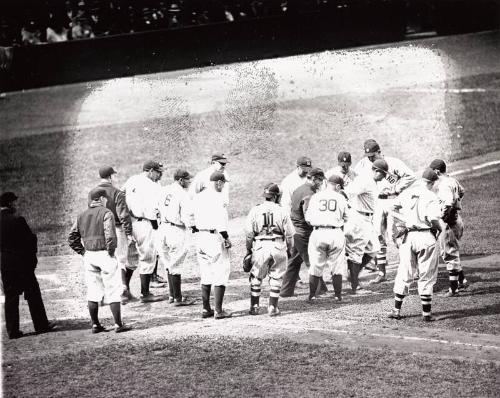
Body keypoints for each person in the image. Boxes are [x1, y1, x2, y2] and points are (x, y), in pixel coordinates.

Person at [68, 188, 131, 333]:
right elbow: (110, 235)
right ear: (101, 199)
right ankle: (118, 324)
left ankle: (95, 325)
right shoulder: (106, 212)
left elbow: (72, 238)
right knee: (113, 289)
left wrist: (82, 251)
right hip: (104, 254)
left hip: (89, 255)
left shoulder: (81, 215)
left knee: (93, 291)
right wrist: (110, 251)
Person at [354, 139, 416, 283]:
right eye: (368, 156)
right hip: (376, 203)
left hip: (394, 201)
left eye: (373, 156)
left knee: (399, 236)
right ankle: (382, 273)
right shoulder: (362, 164)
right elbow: (355, 179)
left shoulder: (394, 162)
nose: (370, 159)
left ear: (380, 152)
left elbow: (411, 176)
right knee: (378, 236)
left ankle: (412, 268)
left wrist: (397, 188)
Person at [388, 169, 445, 322]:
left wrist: (404, 220)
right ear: (432, 183)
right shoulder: (432, 196)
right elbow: (433, 219)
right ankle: (426, 314)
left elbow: (391, 208)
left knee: (404, 272)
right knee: (426, 274)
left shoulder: (407, 192)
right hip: (426, 237)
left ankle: (396, 310)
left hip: (408, 237)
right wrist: (440, 229)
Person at [0, 192, 56, 339]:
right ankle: (41, 325)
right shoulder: (18, 220)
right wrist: (32, 260)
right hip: (22, 264)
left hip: (5, 264)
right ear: (11, 204)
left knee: (11, 296)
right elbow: (29, 241)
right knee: (33, 293)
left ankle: (13, 331)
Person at [244, 183, 295, 316]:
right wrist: (289, 249)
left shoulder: (255, 210)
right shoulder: (282, 210)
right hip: (278, 245)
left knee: (256, 276)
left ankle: (254, 307)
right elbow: (289, 235)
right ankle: (272, 307)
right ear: (276, 196)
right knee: (277, 276)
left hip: (260, 245)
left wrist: (249, 250)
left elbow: (249, 234)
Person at [90, 166, 136, 304]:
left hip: (99, 229)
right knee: (120, 260)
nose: (115, 177)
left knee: (104, 260)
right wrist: (128, 233)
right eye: (114, 175)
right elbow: (123, 215)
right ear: (110, 177)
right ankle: (123, 292)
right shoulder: (117, 192)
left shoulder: (92, 192)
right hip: (116, 228)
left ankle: (102, 296)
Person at [280, 167, 328, 298]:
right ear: (313, 179)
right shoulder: (310, 194)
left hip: (295, 230)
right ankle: (320, 290)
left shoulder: (298, 189)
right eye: (319, 180)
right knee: (312, 261)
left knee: (294, 262)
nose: (320, 183)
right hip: (304, 232)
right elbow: (308, 217)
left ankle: (285, 291)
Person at [192, 171, 232, 319]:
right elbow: (221, 223)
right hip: (214, 237)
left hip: (201, 238)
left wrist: (194, 226)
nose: (223, 186)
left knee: (206, 273)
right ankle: (219, 310)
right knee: (221, 272)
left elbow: (189, 216)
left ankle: (205, 309)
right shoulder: (217, 198)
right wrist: (226, 238)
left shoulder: (197, 197)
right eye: (223, 183)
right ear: (219, 182)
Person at [122, 160, 164, 303]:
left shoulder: (132, 179)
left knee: (131, 258)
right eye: (158, 172)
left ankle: (125, 290)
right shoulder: (152, 185)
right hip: (146, 224)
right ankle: (145, 294)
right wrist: (156, 227)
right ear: (151, 171)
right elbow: (153, 210)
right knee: (148, 257)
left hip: (130, 223)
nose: (160, 175)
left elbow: (120, 196)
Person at [305, 175, 349, 301]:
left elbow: (308, 218)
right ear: (338, 186)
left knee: (315, 265)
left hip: (318, 232)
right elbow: (347, 217)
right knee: (337, 266)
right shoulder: (340, 197)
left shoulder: (316, 196)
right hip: (335, 233)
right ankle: (338, 296)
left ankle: (312, 296)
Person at [157, 169, 196, 306]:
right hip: (176, 230)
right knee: (176, 264)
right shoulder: (182, 194)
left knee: (168, 263)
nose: (190, 181)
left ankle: (172, 296)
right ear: (180, 180)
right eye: (187, 179)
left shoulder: (163, 190)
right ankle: (178, 298)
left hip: (162, 229)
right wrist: (193, 227)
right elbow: (187, 216)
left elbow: (155, 208)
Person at [429, 159, 468, 296]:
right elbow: (461, 192)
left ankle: (453, 289)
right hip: (457, 220)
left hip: (449, 223)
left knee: (449, 254)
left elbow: (448, 203)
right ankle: (462, 280)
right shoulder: (452, 180)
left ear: (437, 171)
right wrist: (456, 203)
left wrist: (443, 216)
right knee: (452, 251)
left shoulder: (444, 184)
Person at [343, 163, 381, 293]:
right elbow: (346, 193)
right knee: (356, 253)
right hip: (358, 218)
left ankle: (352, 273)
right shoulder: (365, 181)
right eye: (383, 173)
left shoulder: (371, 181)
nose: (384, 177)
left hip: (366, 219)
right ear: (376, 171)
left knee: (374, 248)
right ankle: (355, 286)